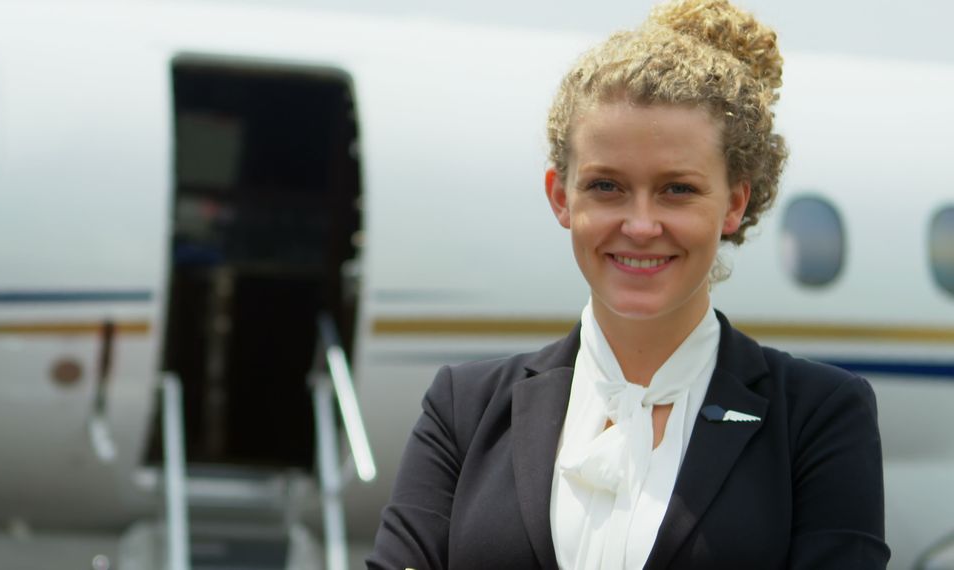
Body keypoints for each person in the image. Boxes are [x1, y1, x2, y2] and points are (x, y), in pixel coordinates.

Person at [366, 0, 889, 568]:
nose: (640, 226)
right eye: (607, 187)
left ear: (734, 203)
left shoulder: (818, 418)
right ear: (561, 197)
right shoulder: (463, 411)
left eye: (678, 190)